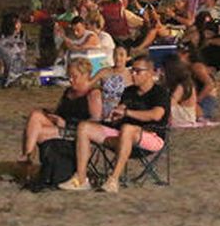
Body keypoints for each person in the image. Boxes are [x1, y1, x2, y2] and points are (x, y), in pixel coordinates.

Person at [59, 54, 169, 193]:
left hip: (152, 136)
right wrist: (116, 114)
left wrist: (127, 113)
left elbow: (156, 115)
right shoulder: (129, 91)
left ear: (150, 73)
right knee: (84, 127)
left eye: (138, 71)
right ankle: (81, 178)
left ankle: (113, 180)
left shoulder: (160, 93)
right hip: (122, 135)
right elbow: (122, 109)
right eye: (132, 70)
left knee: (128, 129)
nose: (133, 74)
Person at [19, 58, 102, 163]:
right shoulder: (69, 91)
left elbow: (95, 122)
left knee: (35, 132)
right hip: (61, 125)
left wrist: (67, 124)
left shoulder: (93, 94)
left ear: (85, 75)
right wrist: (50, 114)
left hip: (75, 131)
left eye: (74, 76)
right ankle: (27, 157)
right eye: (69, 76)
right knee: (35, 116)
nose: (70, 80)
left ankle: (28, 160)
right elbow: (61, 111)